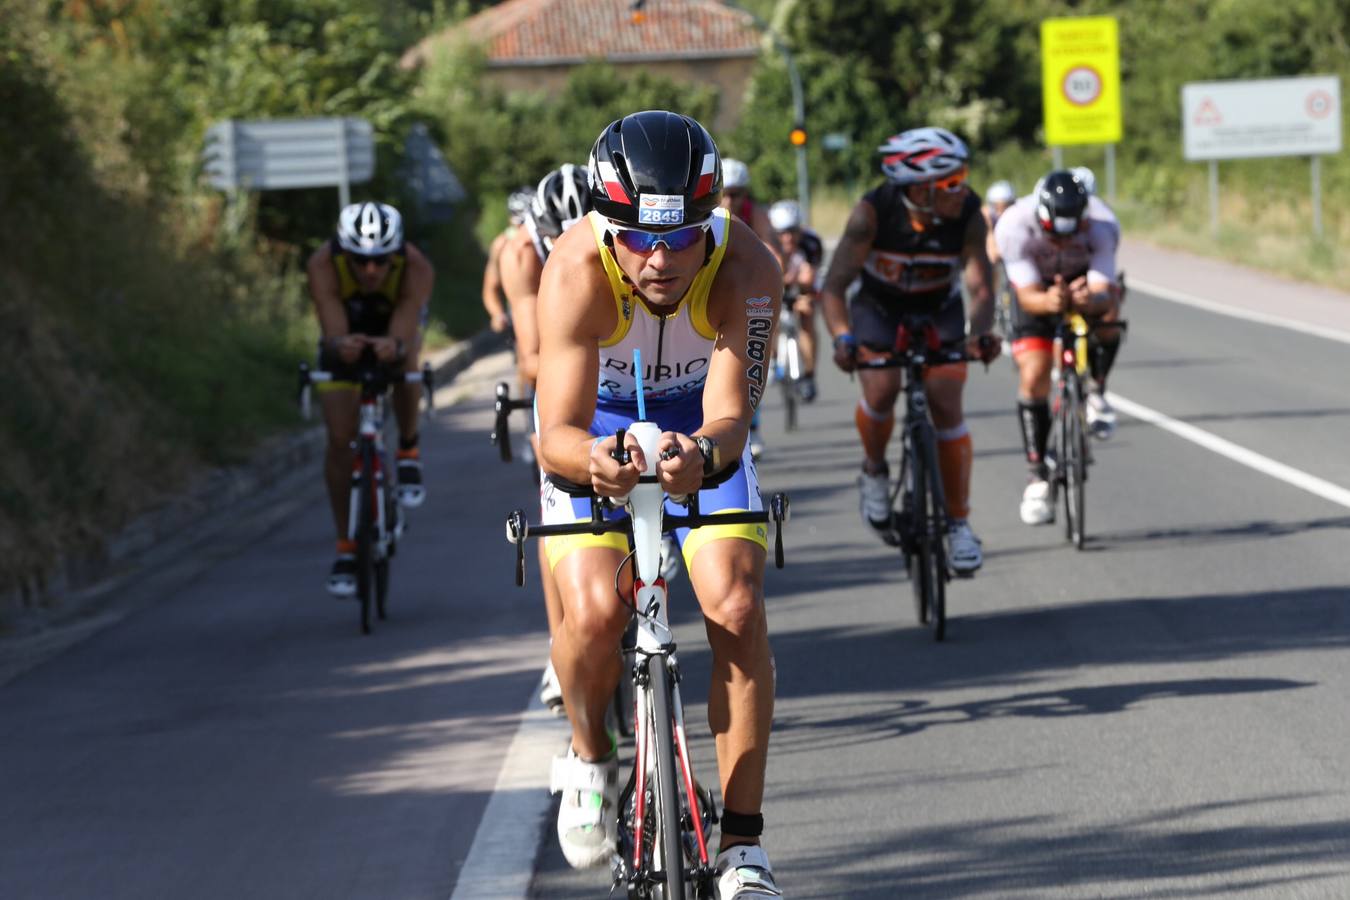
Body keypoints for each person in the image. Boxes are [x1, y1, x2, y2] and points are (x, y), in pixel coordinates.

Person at [535, 110, 784, 898]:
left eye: (681, 239)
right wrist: (596, 462)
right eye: (640, 238)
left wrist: (702, 456)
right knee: (595, 615)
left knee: (737, 607)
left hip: (699, 431)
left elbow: (732, 418)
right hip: (595, 434)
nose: (661, 258)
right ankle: (590, 756)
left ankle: (743, 845)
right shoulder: (575, 269)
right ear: (609, 224)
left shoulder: (750, 267)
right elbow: (555, 434)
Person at [819, 126, 1000, 575]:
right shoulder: (872, 214)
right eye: (952, 182)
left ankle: (958, 524)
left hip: (939, 307)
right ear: (921, 189)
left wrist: (979, 333)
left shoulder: (969, 213)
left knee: (946, 401)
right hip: (880, 309)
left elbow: (981, 287)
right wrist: (843, 339)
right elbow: (835, 287)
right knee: (880, 389)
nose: (964, 189)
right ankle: (875, 471)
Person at [307, 202, 434, 596]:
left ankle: (408, 451)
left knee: (408, 358)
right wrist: (342, 345)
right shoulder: (322, 264)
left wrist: (393, 345)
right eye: (361, 261)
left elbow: (406, 320)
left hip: (393, 328)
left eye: (381, 261)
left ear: (396, 254)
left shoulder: (417, 267)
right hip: (345, 333)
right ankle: (346, 546)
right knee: (340, 442)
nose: (371, 271)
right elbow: (332, 326)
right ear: (344, 254)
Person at [503, 165, 594, 713]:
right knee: (553, 490)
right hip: (554, 370)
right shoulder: (520, 257)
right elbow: (532, 355)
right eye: (555, 241)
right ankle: (559, 641)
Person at [994, 169, 1125, 526]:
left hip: (1082, 282)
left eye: (1073, 232)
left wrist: (1090, 300)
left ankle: (1096, 388)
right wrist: (1051, 301)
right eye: (1055, 233)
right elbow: (1027, 296)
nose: (1064, 241)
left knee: (1111, 316)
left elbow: (1104, 290)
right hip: (1035, 289)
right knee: (1034, 372)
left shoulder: (1103, 224)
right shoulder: (1013, 225)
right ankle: (1036, 474)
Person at [720, 158, 780, 457]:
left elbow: (769, 252)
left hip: (745, 289)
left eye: (738, 193)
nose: (731, 200)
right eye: (726, 193)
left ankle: (750, 426)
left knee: (750, 359)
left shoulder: (754, 214)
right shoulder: (706, 214)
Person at [768, 199, 822, 401]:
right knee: (767, 315)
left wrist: (805, 295)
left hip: (801, 288)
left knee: (807, 314)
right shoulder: (765, 244)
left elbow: (811, 280)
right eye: (782, 233)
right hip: (773, 288)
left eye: (793, 231)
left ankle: (809, 375)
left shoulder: (811, 244)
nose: (788, 238)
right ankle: (772, 360)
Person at [480, 188, 532, 336]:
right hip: (519, 320)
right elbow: (490, 287)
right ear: (511, 220)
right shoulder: (501, 244)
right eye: (520, 223)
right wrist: (498, 314)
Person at [982, 180, 1016, 266]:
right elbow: (993, 256)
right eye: (998, 208)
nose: (1002, 213)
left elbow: (994, 256)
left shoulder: (1017, 222)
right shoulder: (986, 218)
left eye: (1006, 207)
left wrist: (989, 230)